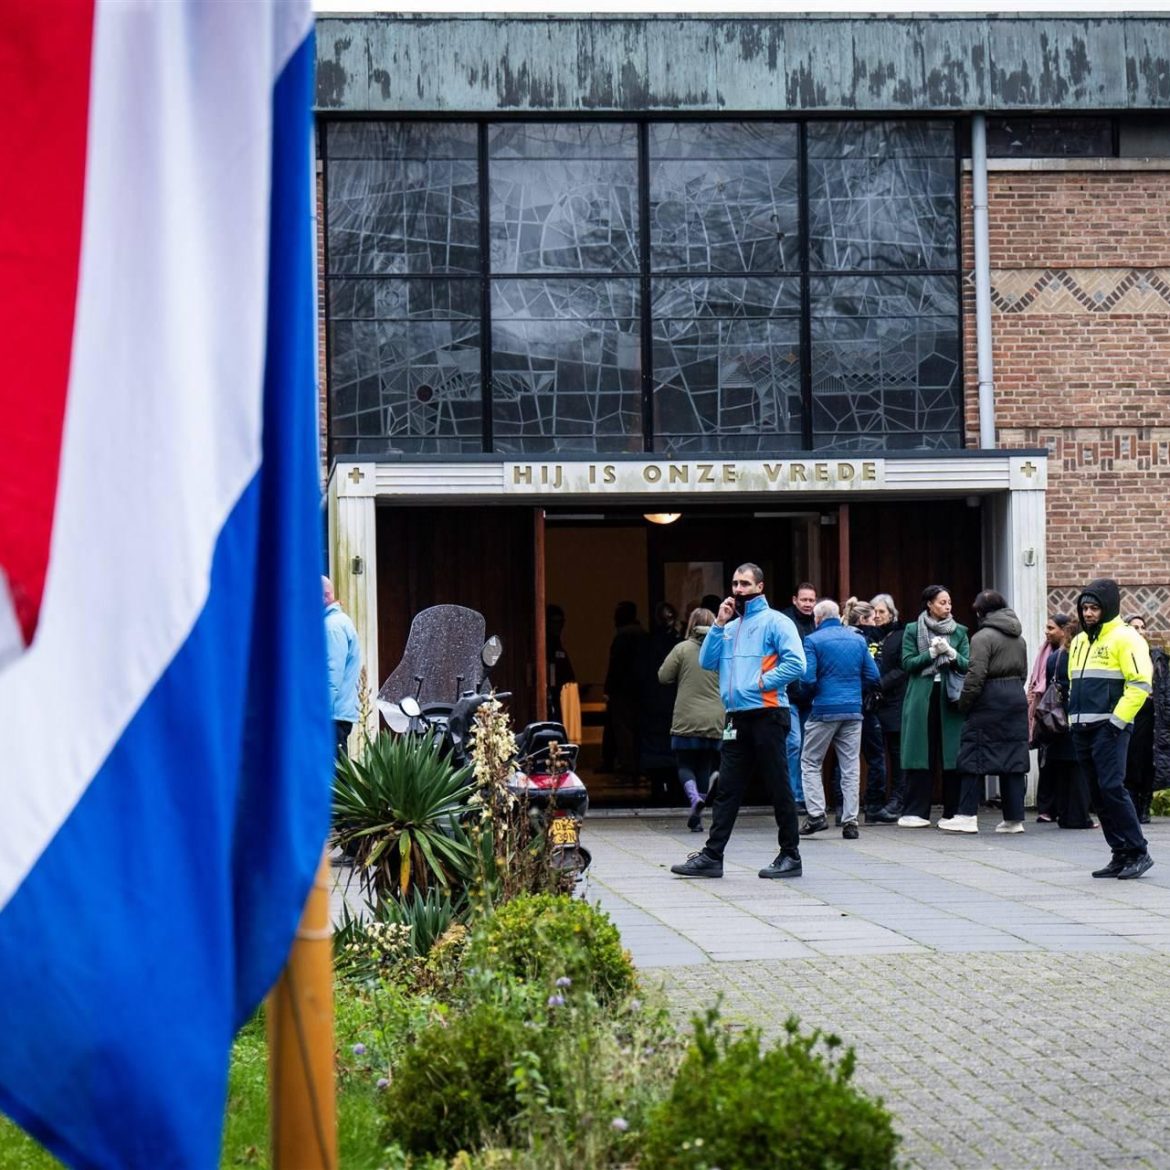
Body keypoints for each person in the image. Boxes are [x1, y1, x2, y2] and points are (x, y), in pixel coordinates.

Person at [670, 563, 806, 879]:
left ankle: (791, 854)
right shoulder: (729, 626)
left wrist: (761, 683)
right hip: (736, 717)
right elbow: (706, 661)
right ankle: (712, 856)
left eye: (745, 583)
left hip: (768, 713)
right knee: (728, 789)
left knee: (778, 785)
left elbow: (797, 663)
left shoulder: (776, 622)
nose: (738, 589)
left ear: (760, 586)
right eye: (734, 583)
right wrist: (718, 623)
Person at [1066, 578, 1154, 880]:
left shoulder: (1126, 638)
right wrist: (1071, 720)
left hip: (1109, 727)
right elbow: (1073, 684)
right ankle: (1119, 852)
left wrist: (1117, 721)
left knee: (1112, 787)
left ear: (1108, 608)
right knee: (1098, 792)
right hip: (1082, 728)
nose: (1088, 613)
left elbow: (1140, 683)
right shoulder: (1079, 641)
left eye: (1094, 608)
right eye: (1085, 608)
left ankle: (1138, 850)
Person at [796, 600, 880, 840]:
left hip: (824, 709)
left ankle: (816, 815)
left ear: (818, 618)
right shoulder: (857, 639)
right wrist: (853, 689)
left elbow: (809, 679)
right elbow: (873, 675)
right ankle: (851, 821)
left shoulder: (813, 640)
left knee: (811, 761)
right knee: (850, 765)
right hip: (853, 709)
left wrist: (808, 696)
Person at [947, 590, 1030, 833]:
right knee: (1014, 758)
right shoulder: (1019, 638)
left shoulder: (982, 637)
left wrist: (964, 703)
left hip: (989, 699)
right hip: (1015, 697)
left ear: (982, 612)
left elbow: (976, 674)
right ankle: (1014, 820)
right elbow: (1023, 672)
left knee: (973, 755)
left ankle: (966, 816)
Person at [897, 585, 970, 828]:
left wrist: (950, 653)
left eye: (949, 602)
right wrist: (930, 652)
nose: (947, 607)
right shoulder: (912, 629)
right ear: (929, 604)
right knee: (920, 752)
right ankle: (915, 811)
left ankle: (954, 811)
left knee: (952, 754)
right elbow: (908, 664)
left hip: (950, 696)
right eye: (942, 602)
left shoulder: (960, 632)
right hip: (922, 696)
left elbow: (967, 665)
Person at [658, 607, 724, 832]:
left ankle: (694, 797)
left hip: (687, 717)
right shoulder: (722, 647)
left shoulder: (682, 649)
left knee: (684, 763)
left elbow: (663, 676)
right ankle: (697, 818)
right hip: (715, 717)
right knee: (704, 764)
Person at [841, 596, 888, 821]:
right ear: (863, 619)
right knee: (875, 756)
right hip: (865, 704)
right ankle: (874, 806)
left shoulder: (841, 636)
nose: (877, 621)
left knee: (844, 756)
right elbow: (874, 672)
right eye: (872, 617)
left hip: (845, 702)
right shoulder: (866, 640)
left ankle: (842, 807)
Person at [1045, 619, 1095, 829]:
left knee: (1062, 770)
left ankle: (1063, 814)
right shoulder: (1083, 656)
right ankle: (1079, 816)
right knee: (1078, 770)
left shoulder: (1055, 657)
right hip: (1076, 714)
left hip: (1056, 717)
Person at [869, 594, 908, 822]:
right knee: (875, 754)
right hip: (874, 704)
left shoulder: (900, 636)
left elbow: (903, 668)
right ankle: (875, 801)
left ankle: (897, 799)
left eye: (881, 612)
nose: (876, 616)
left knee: (897, 753)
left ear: (892, 614)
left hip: (894, 702)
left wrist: (879, 684)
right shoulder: (867, 636)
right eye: (874, 611)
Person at [1028, 614, 1071, 821]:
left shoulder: (1065, 654)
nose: (1047, 631)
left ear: (1064, 631)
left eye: (1051, 628)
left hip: (1058, 709)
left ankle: (1056, 806)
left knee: (1055, 758)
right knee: (1045, 757)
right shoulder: (1045, 651)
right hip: (1046, 709)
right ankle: (1046, 807)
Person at [781, 582, 818, 812]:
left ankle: (807, 795)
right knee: (793, 743)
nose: (807, 604)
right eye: (804, 600)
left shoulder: (819, 622)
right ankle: (793, 795)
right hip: (790, 694)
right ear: (795, 600)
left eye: (811, 600)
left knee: (809, 747)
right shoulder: (785, 621)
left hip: (812, 696)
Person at [603, 601, 649, 780]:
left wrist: (608, 688)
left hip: (623, 690)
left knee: (624, 729)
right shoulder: (643, 635)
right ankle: (640, 764)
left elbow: (616, 666)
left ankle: (629, 765)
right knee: (638, 728)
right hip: (641, 689)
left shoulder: (622, 636)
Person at [1123, 614, 1157, 824]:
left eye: (1142, 627)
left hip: (1149, 710)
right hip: (1129, 709)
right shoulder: (1124, 652)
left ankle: (1145, 804)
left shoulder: (1154, 656)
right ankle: (1134, 803)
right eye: (1134, 627)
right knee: (1131, 758)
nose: (1139, 630)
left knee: (1147, 759)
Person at [324, 575, 362, 756]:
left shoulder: (332, 627)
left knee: (334, 776)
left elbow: (332, 673)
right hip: (338, 713)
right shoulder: (338, 623)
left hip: (333, 715)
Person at [545, 604, 576, 723]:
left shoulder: (558, 644)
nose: (558, 627)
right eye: (554, 622)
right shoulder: (546, 643)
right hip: (550, 693)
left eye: (560, 622)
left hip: (561, 694)